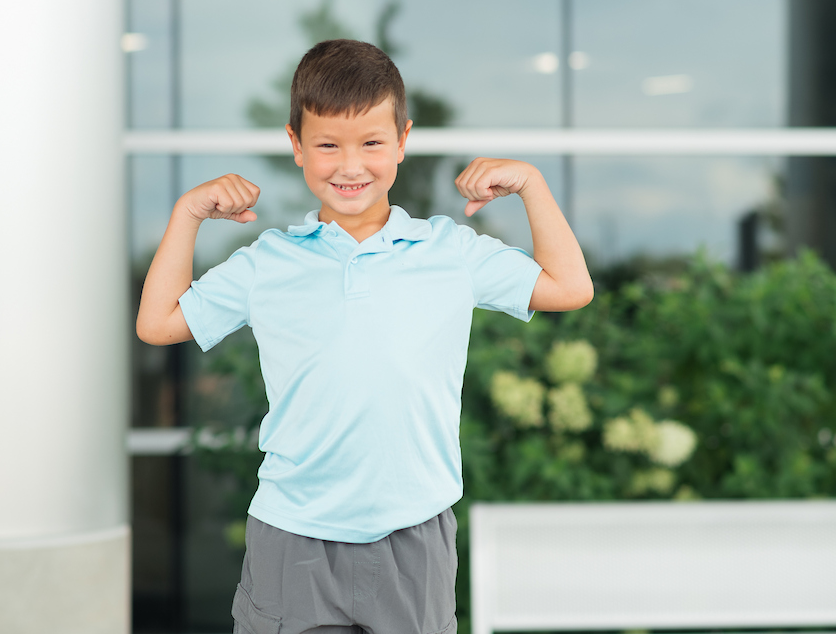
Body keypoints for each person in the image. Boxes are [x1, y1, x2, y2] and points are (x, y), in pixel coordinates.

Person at [136, 39, 593, 634]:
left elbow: (569, 287)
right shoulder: (268, 261)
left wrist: (532, 184)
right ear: (296, 146)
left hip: (413, 535)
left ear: (403, 141)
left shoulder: (449, 250)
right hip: (292, 535)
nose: (351, 166)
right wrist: (187, 215)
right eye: (328, 145)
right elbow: (158, 322)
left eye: (372, 143)